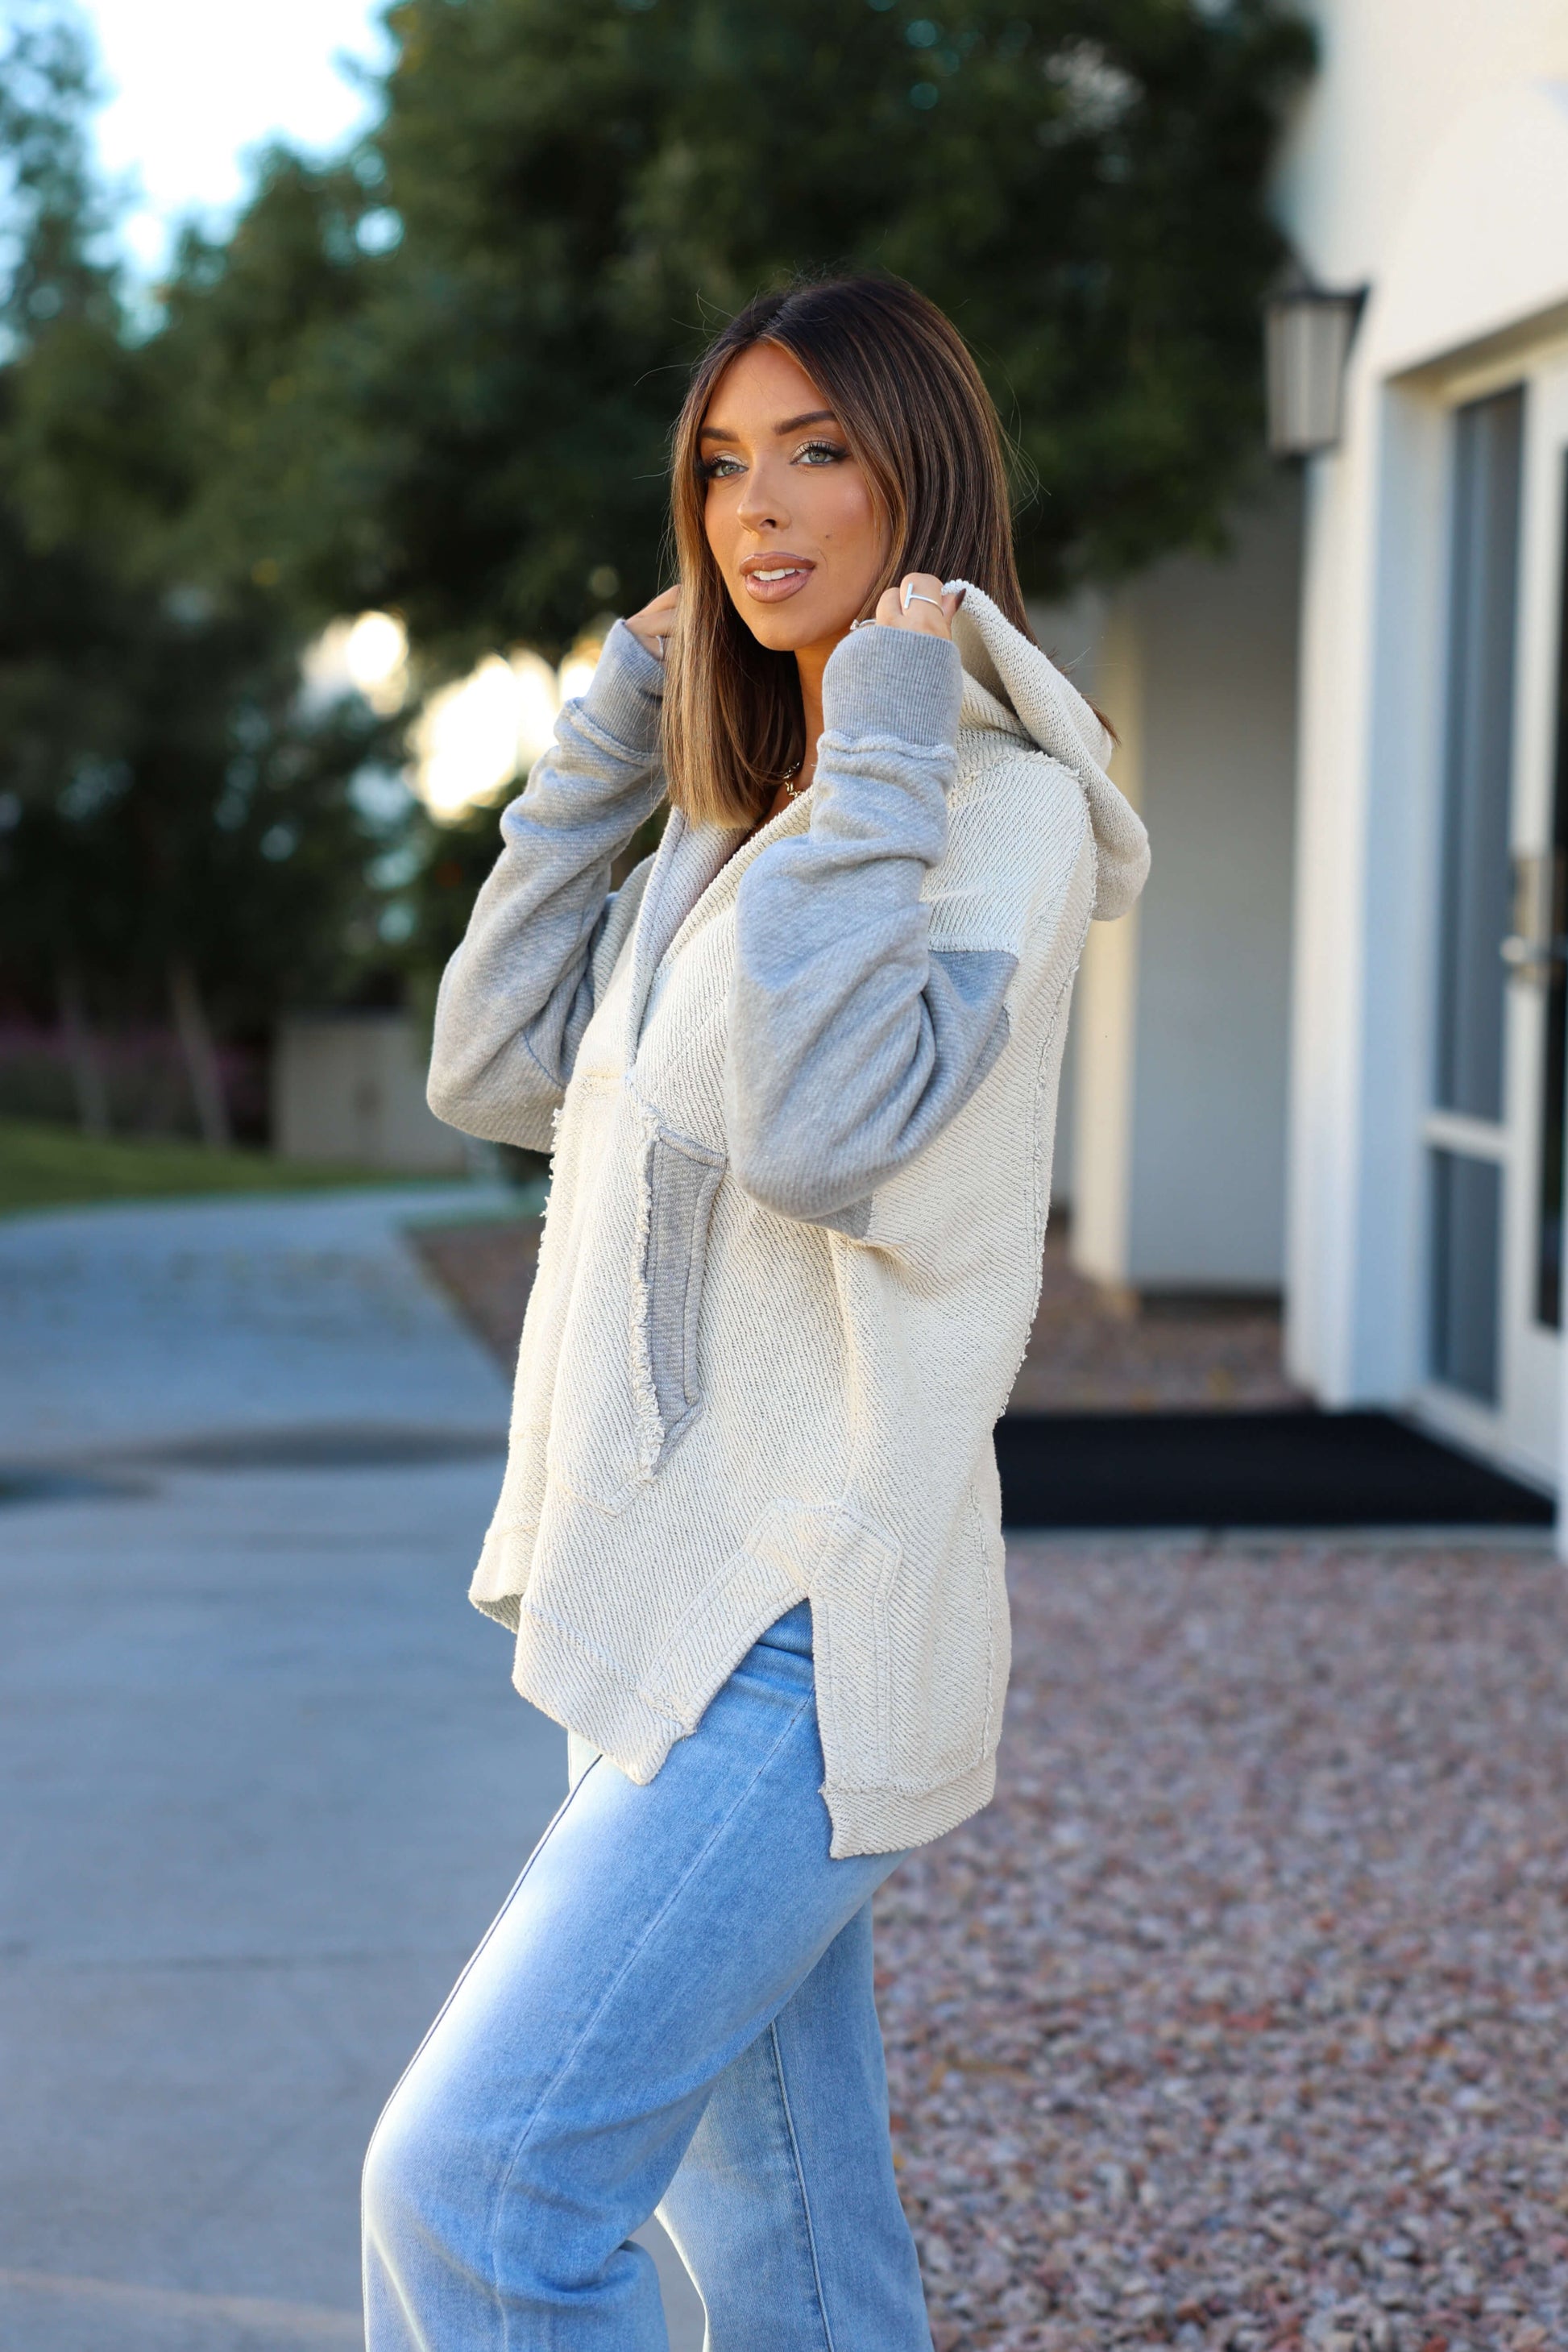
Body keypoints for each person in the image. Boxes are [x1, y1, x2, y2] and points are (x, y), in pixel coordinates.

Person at [362, 272, 1147, 2350]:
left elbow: (826, 1138)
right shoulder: (750, 820)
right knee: (791, 2239)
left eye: (820, 451)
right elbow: (492, 1065)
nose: (757, 510)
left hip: (798, 1624)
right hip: (667, 1591)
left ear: (927, 478)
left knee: (478, 2196)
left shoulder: (995, 817)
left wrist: (884, 745)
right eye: (723, 463)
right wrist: (618, 743)